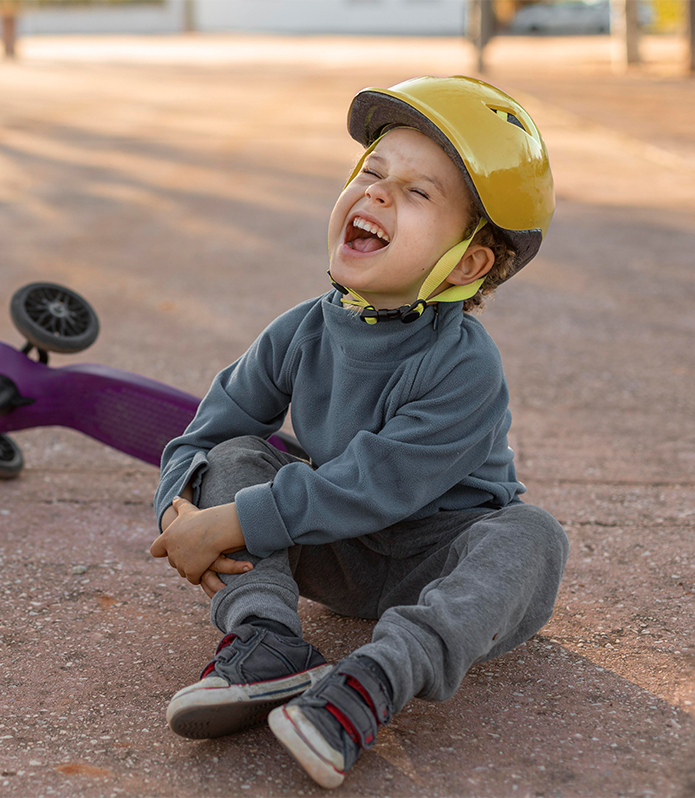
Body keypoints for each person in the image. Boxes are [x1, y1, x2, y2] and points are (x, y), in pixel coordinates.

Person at [147, 76, 569, 789]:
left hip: (437, 557)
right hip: (331, 552)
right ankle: (266, 643)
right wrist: (178, 507)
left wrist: (234, 521)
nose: (376, 193)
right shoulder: (300, 329)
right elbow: (207, 430)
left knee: (532, 537)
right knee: (235, 454)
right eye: (372, 173)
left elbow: (372, 483)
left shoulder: (466, 365)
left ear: (467, 263)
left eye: (417, 193)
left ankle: (369, 685)